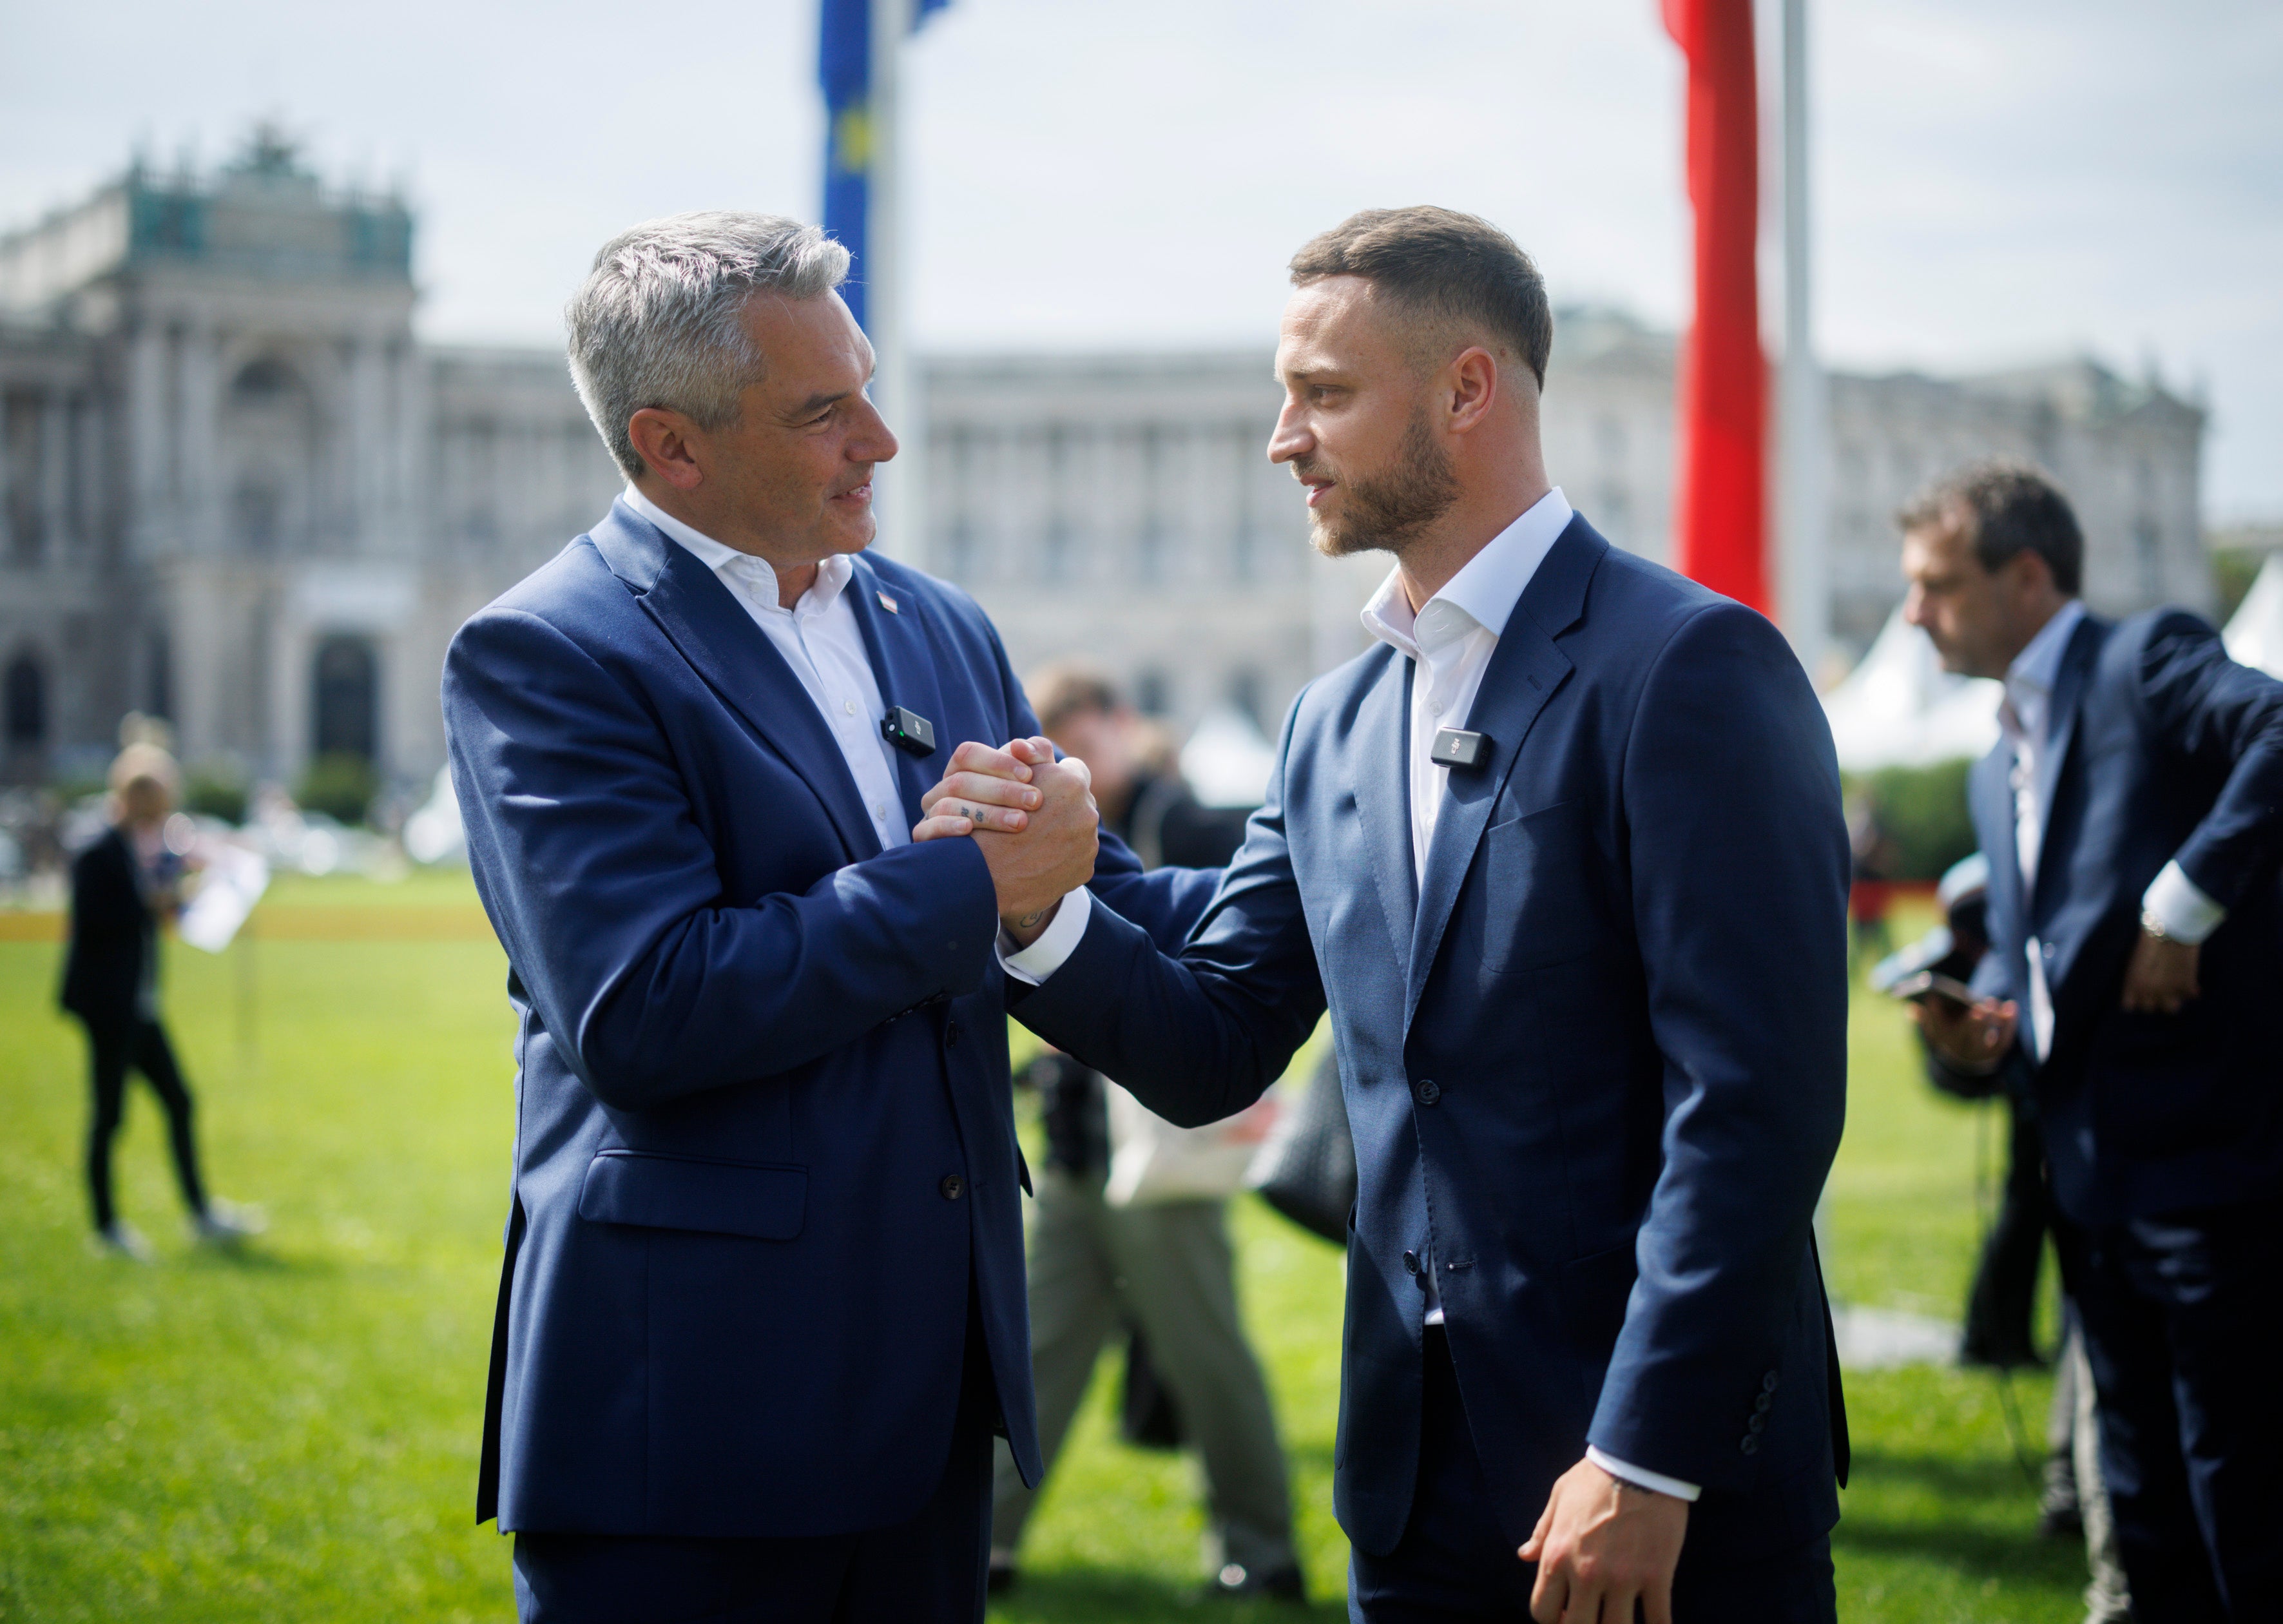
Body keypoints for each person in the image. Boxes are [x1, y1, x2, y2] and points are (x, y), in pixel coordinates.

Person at [925, 206, 1851, 1623]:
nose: (1280, 439)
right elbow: (1217, 1033)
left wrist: (1645, 1454)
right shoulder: (1335, 718)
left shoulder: (1689, 666)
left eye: (1323, 393)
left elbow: (1753, 1106)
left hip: (1658, 1493)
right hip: (1412, 1494)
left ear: (1466, 390)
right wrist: (1043, 901)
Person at [440, 212, 1207, 1624]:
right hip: (692, 1415)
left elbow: (1078, 892)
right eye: (821, 412)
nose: (881, 440)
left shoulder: (939, 625)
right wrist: (966, 884)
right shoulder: (548, 651)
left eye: (865, 388)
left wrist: (1334, 869)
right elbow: (649, 1007)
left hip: (931, 1402)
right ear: (671, 446)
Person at [1902, 459, 2283, 1622]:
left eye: (1935, 585)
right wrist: (1980, 1031)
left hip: (2214, 1179)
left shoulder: (2142, 658)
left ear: (2026, 577)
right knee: (2144, 1520)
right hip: (2088, 1193)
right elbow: (2044, 967)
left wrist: (2180, 908)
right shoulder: (1988, 769)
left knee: (2246, 1513)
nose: (1911, 615)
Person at [988, 665, 1300, 1601]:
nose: (1079, 764)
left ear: (1123, 726)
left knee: (1206, 1357)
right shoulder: (1050, 829)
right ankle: (986, 1541)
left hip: (1164, 1143)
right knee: (1032, 1353)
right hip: (1075, 1146)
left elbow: (1239, 949)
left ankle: (1261, 1549)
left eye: (1088, 739)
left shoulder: (1185, 822)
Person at [59, 741, 259, 1259]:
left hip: (140, 1003)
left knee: (179, 1101)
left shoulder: (143, 850)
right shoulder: (98, 851)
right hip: (110, 1006)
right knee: (109, 1115)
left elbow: (156, 910)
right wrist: (154, 900)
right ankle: (106, 1228)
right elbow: (96, 921)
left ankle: (201, 1215)